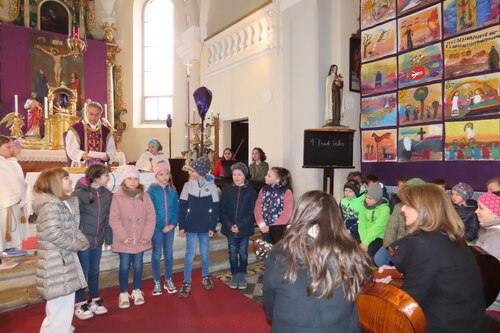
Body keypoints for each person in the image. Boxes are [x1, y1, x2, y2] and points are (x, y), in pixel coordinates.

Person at [377, 184, 486, 333]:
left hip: (444, 325)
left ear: (424, 209)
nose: (402, 209)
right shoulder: (448, 234)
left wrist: (381, 294)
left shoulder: (424, 243)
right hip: (469, 321)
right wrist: (397, 271)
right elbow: (437, 272)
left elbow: (408, 299)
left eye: (408, 205)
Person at [263, 190, 372, 333]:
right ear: (335, 218)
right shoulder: (352, 253)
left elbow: (270, 308)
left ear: (300, 215)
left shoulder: (278, 255)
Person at [32, 168, 89, 333]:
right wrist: (77, 244)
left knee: (65, 297)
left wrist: (82, 240)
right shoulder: (50, 206)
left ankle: (61, 327)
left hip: (64, 257)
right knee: (59, 300)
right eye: (66, 178)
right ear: (55, 183)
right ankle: (54, 329)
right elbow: (54, 233)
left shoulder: (64, 202)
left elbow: (72, 227)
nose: (71, 180)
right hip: (56, 260)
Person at [109, 165, 155, 308]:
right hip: (125, 240)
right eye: (130, 178)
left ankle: (136, 290)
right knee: (124, 265)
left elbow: (151, 217)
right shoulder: (117, 197)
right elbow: (114, 219)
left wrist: (146, 236)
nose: (133, 181)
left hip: (141, 239)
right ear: (124, 180)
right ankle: (123, 292)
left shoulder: (145, 196)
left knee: (138, 265)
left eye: (135, 179)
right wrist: (123, 236)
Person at [72, 164, 113, 320]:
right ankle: (80, 302)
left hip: (97, 240)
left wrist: (108, 238)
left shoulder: (107, 194)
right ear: (96, 178)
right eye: (106, 175)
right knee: (83, 271)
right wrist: (76, 238)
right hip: (83, 241)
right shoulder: (78, 194)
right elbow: (73, 219)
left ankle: (94, 299)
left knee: (94, 271)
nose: (108, 178)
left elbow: (107, 218)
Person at [178, 156, 220, 298]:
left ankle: (205, 276)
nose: (189, 172)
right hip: (190, 225)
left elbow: (215, 209)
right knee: (190, 254)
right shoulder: (187, 186)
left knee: (205, 252)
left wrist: (212, 227)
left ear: (201, 172)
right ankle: (186, 281)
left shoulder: (213, 187)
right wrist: (181, 225)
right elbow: (182, 206)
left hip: (206, 226)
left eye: (192, 170)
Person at [220, 163, 258, 289]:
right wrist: (230, 225)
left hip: (245, 228)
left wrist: (240, 225)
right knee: (232, 252)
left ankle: (241, 273)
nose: (236, 177)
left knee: (243, 252)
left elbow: (252, 212)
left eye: (239, 174)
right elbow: (222, 210)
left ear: (244, 175)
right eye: (234, 174)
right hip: (229, 228)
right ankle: (234, 273)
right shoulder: (226, 191)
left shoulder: (251, 192)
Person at [374, 178, 425, 267]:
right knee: (379, 258)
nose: (404, 208)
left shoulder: (424, 211)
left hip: (410, 247)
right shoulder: (398, 207)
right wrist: (388, 246)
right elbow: (391, 228)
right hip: (395, 243)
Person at [147, 162, 179, 296]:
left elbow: (176, 209)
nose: (165, 176)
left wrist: (172, 224)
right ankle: (156, 280)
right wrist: (161, 226)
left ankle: (168, 279)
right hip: (157, 229)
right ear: (156, 175)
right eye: (161, 174)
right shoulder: (151, 190)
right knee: (156, 254)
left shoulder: (172, 189)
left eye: (167, 173)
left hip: (170, 228)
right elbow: (151, 211)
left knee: (169, 253)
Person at [65, 101, 116, 166]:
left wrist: (108, 156)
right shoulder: (75, 129)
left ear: (100, 115)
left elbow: (112, 150)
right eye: (91, 114)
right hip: (81, 167)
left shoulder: (106, 131)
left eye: (97, 115)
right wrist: (82, 155)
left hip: (101, 168)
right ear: (86, 113)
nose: (93, 117)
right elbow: (71, 149)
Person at [0, 135, 28, 252]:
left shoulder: (9, 161)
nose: (12, 149)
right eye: (8, 147)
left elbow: (17, 179)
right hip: (6, 201)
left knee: (14, 223)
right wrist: (12, 196)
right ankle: (4, 248)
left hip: (15, 200)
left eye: (12, 146)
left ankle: (11, 246)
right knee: (5, 223)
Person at [475, 191, 500, 313]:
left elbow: (487, 274)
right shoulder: (490, 232)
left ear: (496, 213)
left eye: (481, 208)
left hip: (490, 302)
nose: (476, 211)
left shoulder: (495, 237)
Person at [254, 167, 294, 244]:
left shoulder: (287, 192)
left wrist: (272, 228)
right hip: (264, 228)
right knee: (267, 249)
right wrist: (261, 224)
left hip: (278, 229)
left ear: (277, 180)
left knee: (278, 251)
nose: (265, 177)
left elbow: (287, 213)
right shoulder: (263, 190)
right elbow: (257, 208)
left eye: (269, 176)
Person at [357, 184, 390, 260]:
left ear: (377, 199)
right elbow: (362, 224)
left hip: (378, 236)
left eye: (370, 198)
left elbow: (378, 227)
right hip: (364, 236)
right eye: (366, 197)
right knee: (355, 252)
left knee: (369, 256)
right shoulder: (362, 205)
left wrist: (366, 243)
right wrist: (364, 241)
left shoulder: (385, 209)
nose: (367, 200)